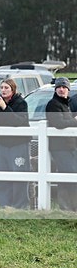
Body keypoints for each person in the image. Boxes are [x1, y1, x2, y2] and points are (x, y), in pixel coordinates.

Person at [0, 77, 30, 210]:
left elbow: (18, 121)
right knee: (1, 175)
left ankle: (20, 206)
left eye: (6, 88)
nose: (3, 90)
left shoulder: (21, 103)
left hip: (19, 144)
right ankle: (5, 204)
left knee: (19, 174)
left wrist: (5, 108)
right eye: (1, 88)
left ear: (13, 90)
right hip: (3, 144)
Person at [45, 77, 77, 211]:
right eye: (59, 87)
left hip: (70, 146)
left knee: (69, 175)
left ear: (68, 89)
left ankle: (69, 206)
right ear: (55, 89)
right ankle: (67, 206)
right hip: (60, 147)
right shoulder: (53, 104)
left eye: (64, 87)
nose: (62, 89)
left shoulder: (66, 104)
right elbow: (58, 124)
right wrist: (75, 120)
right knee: (69, 174)